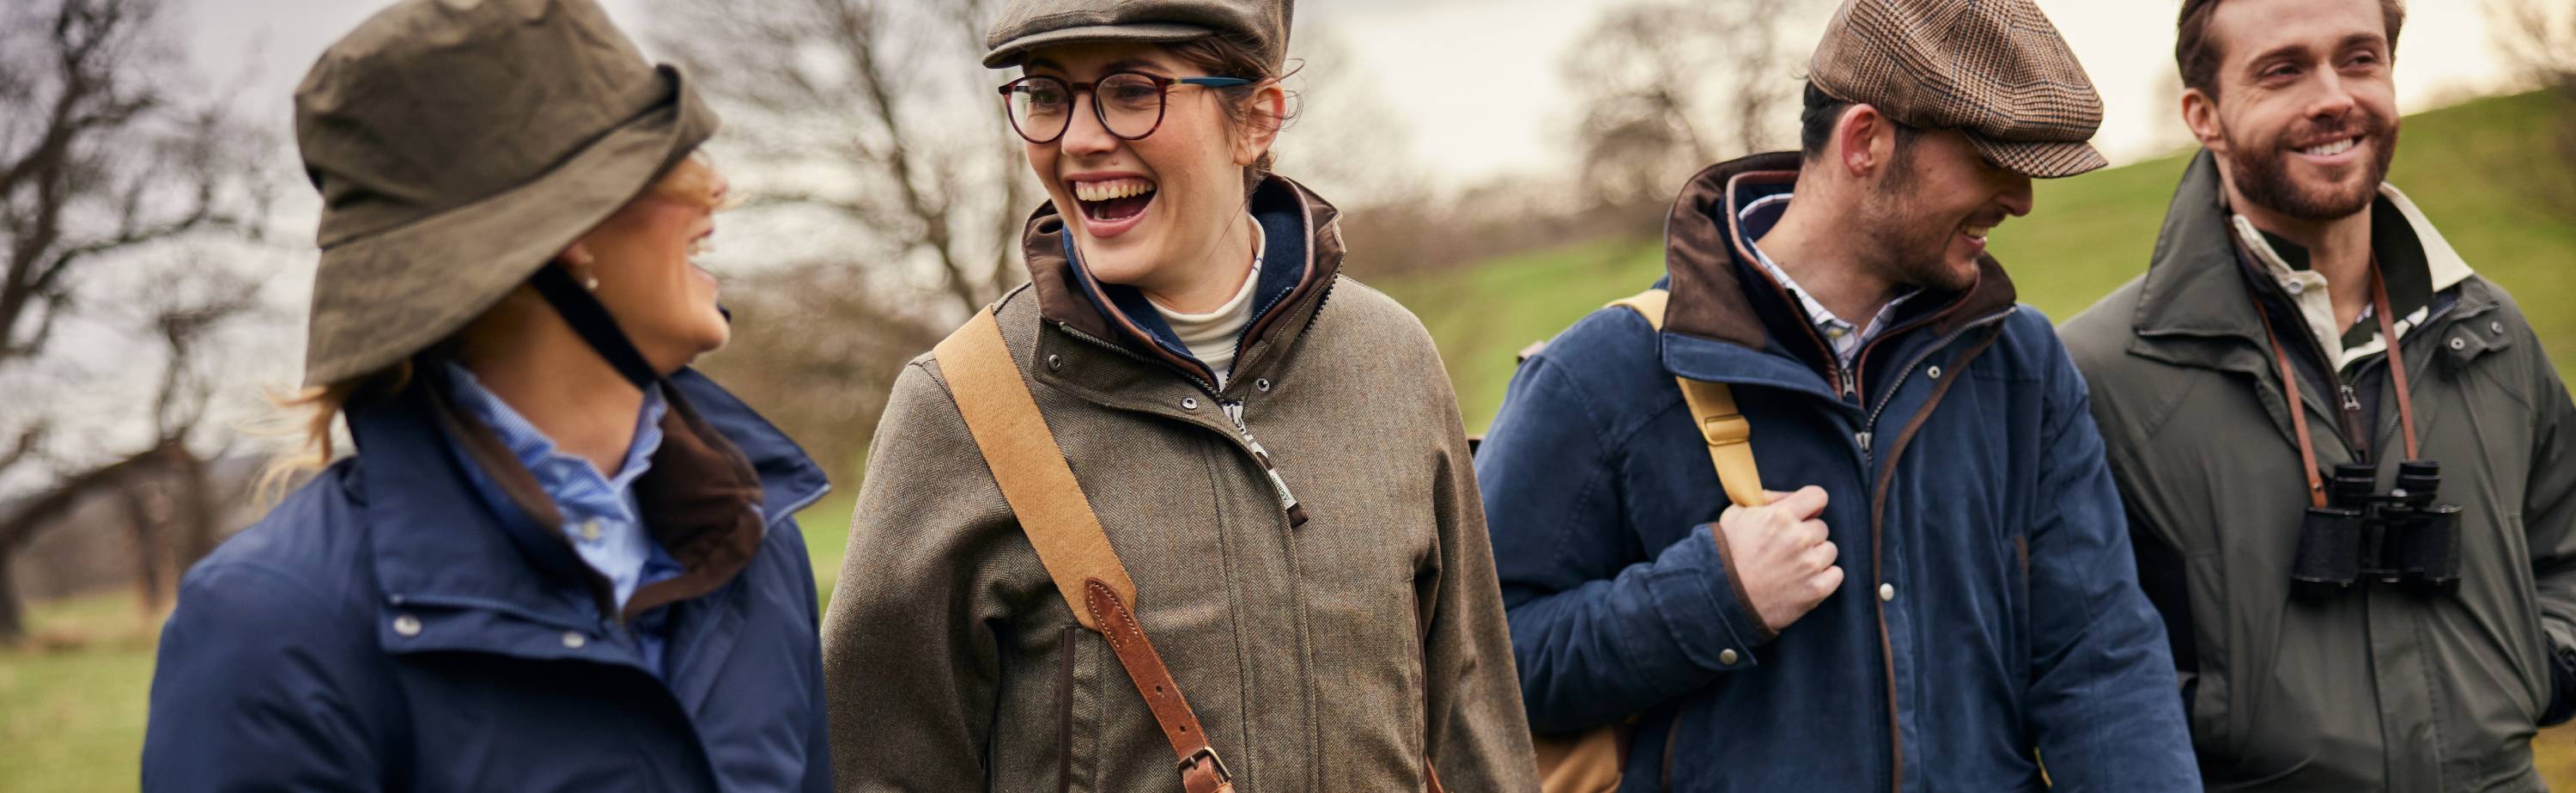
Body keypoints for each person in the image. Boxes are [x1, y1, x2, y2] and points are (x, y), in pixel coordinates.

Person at [1477, 0, 2202, 789]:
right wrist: (1709, 597)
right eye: (1994, 160)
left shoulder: (2024, 364)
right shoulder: (1601, 376)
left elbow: (2101, 661)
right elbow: (1485, 664)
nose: (2022, 198)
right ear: (1866, 141)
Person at [817, 0, 1539, 790]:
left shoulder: (1393, 359)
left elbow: (1473, 723)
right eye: (1049, 96)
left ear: (1256, 119)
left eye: (1132, 90)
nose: (1080, 139)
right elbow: (873, 770)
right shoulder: (957, 405)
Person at [137, 1, 835, 790]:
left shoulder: (754, 546)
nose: (714, 192)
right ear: (567, 233)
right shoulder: (274, 627)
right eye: (668, 165)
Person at [2061, 0, 2576, 788]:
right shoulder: (2099, 371)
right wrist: (2225, 728)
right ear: (2204, 115)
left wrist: (2529, 672)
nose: (2333, 95)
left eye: (2360, 58)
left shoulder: (2489, 329)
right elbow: (2069, 651)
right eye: (2283, 69)